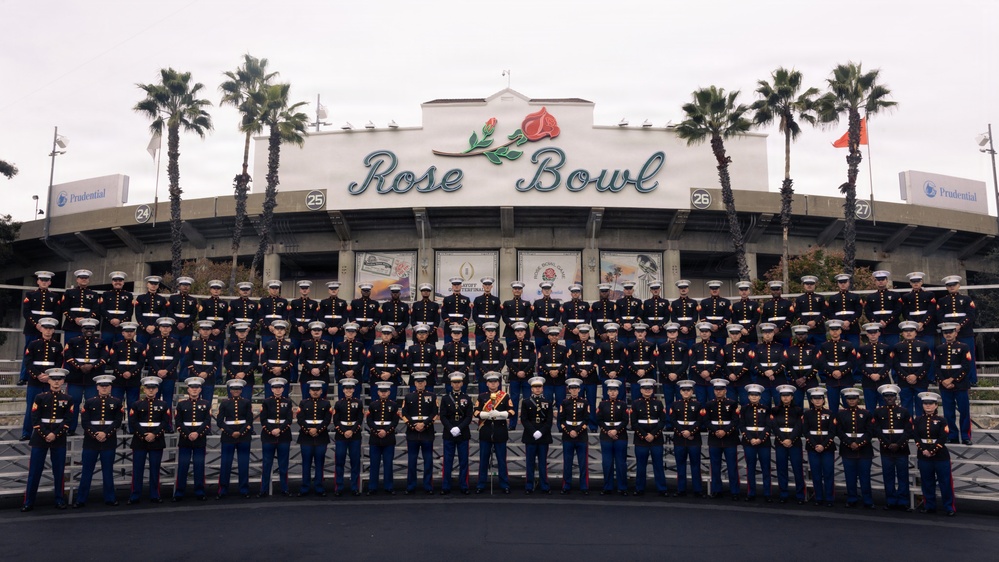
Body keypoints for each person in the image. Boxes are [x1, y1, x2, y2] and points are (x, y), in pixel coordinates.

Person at [21, 368, 72, 511]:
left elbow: (68, 419)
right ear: (48, 380)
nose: (56, 382)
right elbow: (35, 418)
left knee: (59, 470)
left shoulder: (68, 399)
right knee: (35, 471)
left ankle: (59, 499)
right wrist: (45, 434)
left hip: (58, 436)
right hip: (40, 437)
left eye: (59, 380)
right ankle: (29, 501)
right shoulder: (40, 397)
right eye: (53, 379)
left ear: (63, 381)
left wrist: (55, 434)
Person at [74, 374, 123, 508]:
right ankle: (81, 499)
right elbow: (85, 422)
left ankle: (110, 498)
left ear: (110, 387)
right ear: (97, 387)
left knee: (108, 471)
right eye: (102, 386)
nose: (104, 388)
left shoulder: (117, 402)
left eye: (107, 386)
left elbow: (118, 421)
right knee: (87, 471)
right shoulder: (89, 402)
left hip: (108, 440)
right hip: (91, 441)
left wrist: (105, 433)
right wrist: (95, 434)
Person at [20, 316, 63, 441]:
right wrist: (38, 375)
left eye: (50, 328)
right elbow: (28, 362)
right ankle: (26, 432)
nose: (48, 331)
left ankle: (45, 433)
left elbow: (58, 362)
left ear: (54, 330)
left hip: (49, 381)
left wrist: (49, 376)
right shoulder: (33, 344)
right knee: (31, 407)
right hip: (35, 380)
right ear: (41, 329)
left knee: (48, 408)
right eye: (45, 328)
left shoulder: (58, 346)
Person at [127, 376, 169, 505]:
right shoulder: (136, 404)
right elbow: (133, 422)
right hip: (140, 440)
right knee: (137, 469)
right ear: (144, 389)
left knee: (155, 469)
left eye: (153, 388)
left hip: (156, 440)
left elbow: (165, 422)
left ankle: (155, 494)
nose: (151, 390)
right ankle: (135, 495)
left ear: (157, 390)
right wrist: (144, 434)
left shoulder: (163, 404)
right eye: (148, 388)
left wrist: (154, 434)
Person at [913, 392, 955, 516]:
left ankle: (949, 507)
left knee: (945, 483)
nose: (928, 406)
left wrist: (932, 450)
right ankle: (929, 505)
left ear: (936, 405)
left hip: (940, 455)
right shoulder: (918, 420)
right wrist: (923, 450)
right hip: (923, 455)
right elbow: (916, 437)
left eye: (931, 404)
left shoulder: (942, 420)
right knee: (927, 482)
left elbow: (943, 437)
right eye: (925, 404)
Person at [872, 384, 913, 512]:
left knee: (903, 476)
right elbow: (877, 430)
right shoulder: (878, 412)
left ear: (896, 397)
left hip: (901, 449)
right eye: (887, 396)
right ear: (883, 397)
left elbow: (908, 430)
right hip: (886, 449)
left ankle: (903, 501)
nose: (889, 398)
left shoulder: (904, 411)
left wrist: (898, 444)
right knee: (888, 476)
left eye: (892, 396)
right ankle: (890, 501)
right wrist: (887, 444)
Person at [63, 317, 106, 435]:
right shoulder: (73, 341)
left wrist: (93, 366)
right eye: (86, 328)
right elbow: (68, 356)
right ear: (82, 329)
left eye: (91, 328)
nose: (89, 330)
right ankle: (71, 428)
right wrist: (79, 366)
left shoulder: (100, 343)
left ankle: (91, 429)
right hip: (76, 378)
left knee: (92, 404)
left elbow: (104, 357)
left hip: (93, 378)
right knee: (73, 403)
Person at [475, 372, 515, 494]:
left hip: (500, 430)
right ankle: (481, 484)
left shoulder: (505, 396)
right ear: (487, 383)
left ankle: (504, 484)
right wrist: (485, 414)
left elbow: (512, 412)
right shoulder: (482, 397)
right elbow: (476, 412)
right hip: (486, 430)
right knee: (483, 460)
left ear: (498, 383)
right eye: (491, 382)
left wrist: (500, 414)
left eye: (495, 382)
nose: (493, 384)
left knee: (501, 460)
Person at [173, 377, 211, 502]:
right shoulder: (182, 404)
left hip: (199, 438)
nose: (194, 390)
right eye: (192, 388)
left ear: (200, 389)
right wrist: (188, 433)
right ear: (188, 389)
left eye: (197, 388)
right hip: (185, 438)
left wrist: (197, 433)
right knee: (183, 466)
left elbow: (207, 421)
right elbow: (178, 421)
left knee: (199, 466)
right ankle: (179, 492)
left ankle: (200, 491)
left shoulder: (206, 404)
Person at [935, 322, 973, 444]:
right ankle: (952, 435)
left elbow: (966, 366)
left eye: (950, 332)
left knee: (964, 411)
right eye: (945, 333)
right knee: (948, 412)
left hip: (960, 384)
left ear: (956, 333)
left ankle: (965, 436)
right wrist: (943, 381)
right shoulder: (939, 348)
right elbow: (936, 367)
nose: (948, 335)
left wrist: (952, 380)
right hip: (945, 384)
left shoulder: (964, 347)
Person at [19, 270, 59, 386]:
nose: (44, 282)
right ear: (38, 281)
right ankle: (24, 377)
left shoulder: (54, 296)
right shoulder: (30, 295)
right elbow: (26, 312)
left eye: (46, 280)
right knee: (28, 352)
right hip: (32, 328)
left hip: (48, 329)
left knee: (48, 353)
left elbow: (56, 313)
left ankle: (48, 375)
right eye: (42, 280)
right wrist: (36, 324)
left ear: (50, 282)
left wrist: (48, 325)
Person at [836, 388, 875, 508]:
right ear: (846, 400)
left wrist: (859, 443)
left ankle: (868, 500)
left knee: (865, 477)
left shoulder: (866, 413)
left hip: (864, 450)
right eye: (849, 399)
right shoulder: (841, 414)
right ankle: (851, 498)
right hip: (847, 449)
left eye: (854, 399)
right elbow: (839, 431)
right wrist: (849, 443)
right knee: (850, 476)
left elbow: (870, 431)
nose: (851, 401)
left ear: (858, 399)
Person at [401, 372, 439, 494]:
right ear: (414, 383)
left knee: (428, 461)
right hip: (412, 433)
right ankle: (411, 486)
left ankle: (428, 486)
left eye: (422, 382)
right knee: (412, 461)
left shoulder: (432, 396)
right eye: (418, 382)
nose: (420, 384)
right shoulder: (408, 397)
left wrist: (424, 424)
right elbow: (404, 414)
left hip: (427, 432)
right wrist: (414, 425)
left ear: (426, 383)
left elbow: (434, 413)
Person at [216, 378, 254, 499]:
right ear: (230, 390)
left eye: (238, 389)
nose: (236, 391)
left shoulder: (247, 402)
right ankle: (223, 489)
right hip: (228, 436)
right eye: (233, 389)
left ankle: (244, 489)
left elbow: (249, 420)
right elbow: (220, 421)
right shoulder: (224, 403)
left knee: (244, 464)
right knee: (226, 464)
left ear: (241, 390)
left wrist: (241, 432)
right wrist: (231, 432)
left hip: (244, 436)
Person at [937, 275, 977, 387]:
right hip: (948, 332)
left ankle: (971, 379)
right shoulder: (942, 300)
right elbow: (939, 316)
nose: (951, 287)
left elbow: (971, 315)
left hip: (965, 332)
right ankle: (947, 378)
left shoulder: (966, 299)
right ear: (946, 287)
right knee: (948, 357)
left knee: (969, 356)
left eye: (954, 285)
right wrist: (950, 327)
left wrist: (960, 325)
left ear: (958, 285)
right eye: (949, 285)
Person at [630, 378, 668, 496]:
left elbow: (662, 421)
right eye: (645, 389)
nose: (647, 390)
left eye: (650, 388)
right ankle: (639, 488)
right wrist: (645, 435)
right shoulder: (636, 403)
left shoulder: (658, 403)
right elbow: (634, 423)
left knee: (658, 465)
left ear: (653, 390)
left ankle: (662, 488)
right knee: (641, 465)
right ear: (641, 390)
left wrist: (653, 434)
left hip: (656, 438)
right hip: (641, 439)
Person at [705, 378, 740, 499]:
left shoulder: (732, 403)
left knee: (732, 466)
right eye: (716, 390)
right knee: (715, 466)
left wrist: (725, 431)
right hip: (714, 438)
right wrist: (716, 431)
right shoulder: (709, 404)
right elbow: (706, 420)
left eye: (721, 390)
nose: (718, 392)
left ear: (725, 390)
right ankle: (716, 489)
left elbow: (735, 420)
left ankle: (734, 491)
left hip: (729, 438)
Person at [440, 372, 474, 495]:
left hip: (463, 433)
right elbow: (443, 416)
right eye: (454, 382)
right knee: (447, 461)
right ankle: (446, 486)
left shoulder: (467, 398)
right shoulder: (445, 398)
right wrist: (451, 428)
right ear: (451, 384)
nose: (456, 384)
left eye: (459, 382)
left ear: (462, 383)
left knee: (463, 461)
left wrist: (459, 428)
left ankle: (464, 485)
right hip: (449, 433)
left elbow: (469, 416)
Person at [259, 377, 294, 497]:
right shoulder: (266, 402)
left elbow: (289, 419)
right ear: (271, 389)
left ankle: (284, 488)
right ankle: (263, 489)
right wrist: (271, 430)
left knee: (283, 464)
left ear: (283, 389)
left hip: (283, 435)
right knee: (267, 464)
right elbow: (263, 419)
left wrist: (280, 429)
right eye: (275, 387)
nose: (277, 389)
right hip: (268, 436)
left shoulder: (288, 401)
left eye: (279, 387)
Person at [770, 384, 805, 504]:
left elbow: (799, 426)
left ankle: (800, 495)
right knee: (781, 469)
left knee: (797, 469)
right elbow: (774, 426)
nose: (785, 398)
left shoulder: (798, 410)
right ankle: (783, 493)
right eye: (783, 396)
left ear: (792, 397)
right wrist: (782, 439)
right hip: (781, 442)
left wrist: (791, 439)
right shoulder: (775, 410)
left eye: (788, 396)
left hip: (794, 443)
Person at [298, 379, 333, 497]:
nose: (315, 392)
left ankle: (319, 487)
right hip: (306, 436)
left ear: (321, 391)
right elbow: (300, 419)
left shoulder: (326, 404)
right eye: (313, 390)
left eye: (317, 390)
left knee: (319, 463)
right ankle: (305, 487)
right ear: (309, 391)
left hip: (321, 436)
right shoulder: (303, 403)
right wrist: (309, 429)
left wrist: (317, 429)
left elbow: (327, 419)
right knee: (306, 463)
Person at [108, 322, 145, 432]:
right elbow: (113, 361)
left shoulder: (140, 346)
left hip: (133, 379)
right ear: (123, 333)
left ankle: (132, 428)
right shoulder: (116, 345)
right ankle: (113, 427)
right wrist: (122, 372)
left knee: (133, 405)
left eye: (131, 332)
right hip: (118, 379)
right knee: (115, 404)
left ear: (134, 333)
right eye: (127, 332)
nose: (129, 333)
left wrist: (131, 373)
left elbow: (140, 362)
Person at [146, 316, 181, 431]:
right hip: (155, 375)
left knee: (167, 401)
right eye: (163, 327)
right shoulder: (153, 341)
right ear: (159, 328)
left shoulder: (175, 342)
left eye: (167, 327)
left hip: (169, 375)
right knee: (153, 401)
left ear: (171, 329)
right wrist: (157, 371)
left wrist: (167, 371)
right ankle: (154, 424)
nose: (165, 329)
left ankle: (168, 425)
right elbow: (150, 357)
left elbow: (176, 359)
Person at [669, 380, 703, 497]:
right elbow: (673, 420)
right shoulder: (675, 405)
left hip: (694, 438)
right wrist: (682, 432)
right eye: (684, 390)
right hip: (679, 438)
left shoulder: (698, 405)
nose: (686, 392)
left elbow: (699, 421)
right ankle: (681, 489)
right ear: (680, 392)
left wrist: (690, 432)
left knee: (695, 465)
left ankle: (697, 490)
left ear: (692, 391)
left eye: (688, 390)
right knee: (680, 465)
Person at [803, 387, 835, 507]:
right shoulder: (807, 414)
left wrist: (823, 445)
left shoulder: (830, 413)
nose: (817, 401)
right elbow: (805, 431)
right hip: (813, 447)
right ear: (811, 400)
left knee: (828, 473)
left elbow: (832, 431)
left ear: (823, 400)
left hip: (827, 447)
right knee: (816, 474)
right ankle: (818, 497)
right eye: (815, 399)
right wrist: (815, 445)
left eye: (820, 399)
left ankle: (829, 498)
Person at [520, 376, 553, 494]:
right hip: (530, 435)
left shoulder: (548, 402)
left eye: (539, 387)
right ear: (531, 389)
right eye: (535, 387)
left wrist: (541, 432)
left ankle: (544, 485)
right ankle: (529, 485)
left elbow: (549, 420)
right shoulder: (526, 402)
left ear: (542, 388)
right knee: (530, 462)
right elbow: (524, 419)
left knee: (543, 463)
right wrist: (533, 432)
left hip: (543, 435)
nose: (537, 389)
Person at [817, 319, 858, 415]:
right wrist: (831, 372)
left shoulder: (848, 344)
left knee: (849, 407)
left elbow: (852, 361)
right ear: (829, 331)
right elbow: (822, 362)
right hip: (831, 379)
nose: (834, 332)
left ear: (840, 330)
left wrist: (841, 372)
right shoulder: (824, 345)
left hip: (846, 378)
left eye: (837, 329)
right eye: (832, 330)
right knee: (833, 407)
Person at [893, 321, 933, 417]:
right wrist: (906, 376)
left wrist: (916, 376)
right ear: (902, 333)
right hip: (904, 380)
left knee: (921, 405)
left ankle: (920, 428)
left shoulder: (924, 346)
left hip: (920, 379)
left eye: (911, 331)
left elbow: (927, 362)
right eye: (906, 331)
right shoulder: (897, 346)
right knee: (905, 406)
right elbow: (895, 363)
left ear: (916, 332)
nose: (908, 333)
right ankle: (908, 428)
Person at [366, 381, 399, 495]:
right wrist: (377, 431)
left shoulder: (394, 405)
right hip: (375, 438)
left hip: (388, 437)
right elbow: (369, 420)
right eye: (381, 391)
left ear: (389, 392)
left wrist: (386, 431)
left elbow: (395, 421)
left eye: (385, 391)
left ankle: (389, 487)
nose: (383, 393)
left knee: (388, 464)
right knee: (374, 464)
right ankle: (372, 487)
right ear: (378, 392)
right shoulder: (373, 405)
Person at [597, 378, 629, 496]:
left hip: (620, 436)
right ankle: (607, 487)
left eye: (615, 390)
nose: (613, 393)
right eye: (610, 390)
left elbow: (625, 420)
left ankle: (622, 487)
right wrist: (609, 431)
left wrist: (616, 431)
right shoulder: (602, 404)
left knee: (621, 463)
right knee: (607, 463)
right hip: (606, 436)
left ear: (618, 392)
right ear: (607, 392)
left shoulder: (623, 404)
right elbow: (599, 420)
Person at [740, 384, 772, 502]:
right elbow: (742, 425)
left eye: (756, 395)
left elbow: (769, 425)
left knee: (765, 468)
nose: (754, 397)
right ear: (748, 396)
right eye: (752, 395)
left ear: (760, 396)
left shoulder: (766, 408)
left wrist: (760, 439)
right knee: (750, 468)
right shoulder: (744, 409)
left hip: (763, 442)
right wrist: (751, 439)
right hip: (749, 442)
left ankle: (767, 493)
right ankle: (751, 492)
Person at [558, 378, 589, 495]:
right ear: (569, 390)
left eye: (576, 388)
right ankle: (566, 485)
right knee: (567, 462)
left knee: (583, 462)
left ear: (579, 389)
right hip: (568, 435)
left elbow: (586, 419)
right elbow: (561, 419)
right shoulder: (565, 402)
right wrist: (569, 431)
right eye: (572, 388)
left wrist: (577, 431)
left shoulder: (585, 402)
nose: (574, 390)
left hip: (581, 435)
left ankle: (584, 486)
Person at [332, 378, 363, 496]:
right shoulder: (338, 403)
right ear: (343, 390)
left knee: (355, 462)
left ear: (354, 390)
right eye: (346, 389)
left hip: (355, 436)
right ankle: (339, 487)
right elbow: (336, 420)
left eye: (350, 388)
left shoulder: (358, 402)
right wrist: (344, 431)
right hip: (341, 436)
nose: (348, 390)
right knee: (339, 461)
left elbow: (360, 419)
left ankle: (354, 487)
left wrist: (352, 431)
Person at [568, 323, 600, 428]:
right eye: (582, 333)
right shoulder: (573, 346)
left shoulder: (594, 346)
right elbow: (572, 361)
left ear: (588, 334)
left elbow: (596, 360)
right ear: (579, 334)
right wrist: (579, 372)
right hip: (578, 378)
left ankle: (593, 425)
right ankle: (579, 424)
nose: (584, 335)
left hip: (591, 377)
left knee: (591, 402)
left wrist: (588, 371)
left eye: (586, 333)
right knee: (578, 403)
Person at [505, 321, 536, 429]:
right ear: (515, 333)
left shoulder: (530, 345)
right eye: (517, 331)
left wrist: (525, 372)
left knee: (528, 400)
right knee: (514, 400)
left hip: (527, 376)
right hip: (514, 376)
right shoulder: (511, 344)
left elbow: (532, 361)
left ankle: (528, 424)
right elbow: (508, 361)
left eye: (521, 331)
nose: (519, 333)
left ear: (524, 332)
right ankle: (512, 424)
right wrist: (517, 372)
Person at [186, 320, 221, 409]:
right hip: (195, 376)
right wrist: (198, 373)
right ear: (199, 331)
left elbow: (217, 361)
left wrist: (207, 373)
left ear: (211, 331)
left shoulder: (215, 344)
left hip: (209, 377)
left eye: (208, 329)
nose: (205, 331)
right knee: (193, 402)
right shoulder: (192, 343)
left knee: (207, 402)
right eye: (203, 329)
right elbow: (188, 359)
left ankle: (207, 422)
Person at [166, 277, 198, 371]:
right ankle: (171, 371)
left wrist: (185, 324)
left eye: (187, 285)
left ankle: (183, 375)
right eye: (183, 285)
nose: (185, 287)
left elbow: (194, 314)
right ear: (179, 286)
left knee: (185, 353)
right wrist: (177, 323)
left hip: (187, 329)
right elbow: (170, 311)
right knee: (172, 351)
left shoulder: (193, 300)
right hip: (175, 329)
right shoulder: (173, 298)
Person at [858, 323, 892, 410]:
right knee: (870, 408)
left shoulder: (886, 347)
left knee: (884, 408)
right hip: (868, 380)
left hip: (883, 380)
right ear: (867, 334)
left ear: (879, 333)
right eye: (870, 333)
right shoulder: (862, 349)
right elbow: (861, 364)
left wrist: (879, 375)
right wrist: (870, 374)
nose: (873, 335)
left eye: (875, 332)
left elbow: (888, 364)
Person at [784, 325, 819, 407]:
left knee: (814, 405)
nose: (800, 336)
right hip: (795, 381)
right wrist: (796, 379)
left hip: (811, 380)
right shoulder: (790, 349)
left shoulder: (813, 348)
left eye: (803, 334)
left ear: (807, 335)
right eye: (798, 334)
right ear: (795, 335)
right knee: (796, 406)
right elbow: (788, 366)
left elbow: (816, 365)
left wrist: (805, 378)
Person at [865, 270, 901, 348]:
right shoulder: (870, 297)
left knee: (893, 350)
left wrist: (887, 321)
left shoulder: (895, 295)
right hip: (877, 329)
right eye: (878, 280)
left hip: (892, 328)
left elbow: (898, 310)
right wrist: (878, 322)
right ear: (875, 281)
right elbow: (868, 312)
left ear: (887, 281)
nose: (880, 282)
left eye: (883, 280)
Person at [61, 269, 99, 343]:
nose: (84, 280)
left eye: (86, 278)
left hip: (87, 325)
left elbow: (96, 309)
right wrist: (74, 318)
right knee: (69, 346)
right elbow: (64, 307)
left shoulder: (93, 294)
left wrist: (85, 319)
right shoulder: (69, 292)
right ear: (77, 280)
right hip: (71, 324)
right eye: (81, 278)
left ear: (88, 280)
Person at [826, 273, 864, 348]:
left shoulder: (855, 297)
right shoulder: (833, 298)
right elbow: (830, 313)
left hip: (852, 328)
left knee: (854, 349)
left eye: (845, 282)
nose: (843, 284)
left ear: (849, 283)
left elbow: (858, 311)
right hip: (838, 329)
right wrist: (840, 323)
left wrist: (849, 322)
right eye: (840, 282)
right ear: (838, 284)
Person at [289, 281, 320, 371]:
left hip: (308, 332)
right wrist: (298, 326)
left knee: (308, 355)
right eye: (303, 289)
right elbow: (291, 316)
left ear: (309, 290)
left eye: (306, 289)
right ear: (300, 290)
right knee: (294, 355)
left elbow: (314, 317)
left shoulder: (314, 303)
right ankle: (293, 377)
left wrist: (305, 327)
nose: (304, 290)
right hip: (295, 331)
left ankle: (306, 373)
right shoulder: (294, 302)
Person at [900, 272, 936, 349]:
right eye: (913, 282)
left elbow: (931, 310)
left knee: (929, 349)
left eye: (918, 281)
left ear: (921, 282)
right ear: (910, 283)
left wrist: (923, 323)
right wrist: (914, 325)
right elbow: (905, 312)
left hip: (927, 326)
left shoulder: (929, 295)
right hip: (913, 327)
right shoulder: (906, 296)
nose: (916, 284)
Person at [688, 323, 721, 404]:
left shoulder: (717, 346)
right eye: (702, 332)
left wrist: (709, 373)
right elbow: (692, 362)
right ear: (700, 333)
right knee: (700, 403)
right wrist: (701, 373)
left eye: (706, 331)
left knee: (713, 404)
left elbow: (719, 361)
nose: (704, 333)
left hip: (712, 378)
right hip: (699, 379)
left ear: (710, 333)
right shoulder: (695, 346)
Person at [261, 320, 295, 398]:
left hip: (284, 373)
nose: (279, 331)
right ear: (274, 331)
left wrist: (281, 368)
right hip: (269, 374)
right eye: (277, 329)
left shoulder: (290, 345)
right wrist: (272, 369)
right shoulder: (267, 344)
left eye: (282, 329)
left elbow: (292, 360)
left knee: (284, 398)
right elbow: (263, 359)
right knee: (269, 398)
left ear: (285, 331)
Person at [720, 323, 753, 405]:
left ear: (740, 334)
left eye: (737, 333)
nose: (734, 336)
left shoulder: (746, 346)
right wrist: (729, 374)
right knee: (731, 403)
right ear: (729, 335)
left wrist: (737, 374)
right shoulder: (725, 347)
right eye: (732, 334)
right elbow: (723, 363)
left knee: (745, 402)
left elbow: (747, 362)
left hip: (743, 378)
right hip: (730, 379)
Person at [367, 325, 403, 400]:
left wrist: (390, 373)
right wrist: (380, 374)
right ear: (381, 335)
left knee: (391, 403)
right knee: (375, 402)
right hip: (376, 378)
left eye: (388, 334)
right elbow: (370, 363)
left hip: (392, 378)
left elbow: (399, 363)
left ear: (391, 335)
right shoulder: (374, 348)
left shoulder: (397, 348)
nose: (386, 336)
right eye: (384, 334)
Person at [752, 323, 784, 407]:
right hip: (762, 380)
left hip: (778, 379)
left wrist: (773, 371)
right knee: (764, 406)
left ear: (773, 333)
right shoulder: (757, 347)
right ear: (762, 334)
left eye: (769, 332)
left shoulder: (780, 346)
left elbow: (783, 361)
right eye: (765, 333)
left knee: (779, 405)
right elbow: (755, 362)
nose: (767, 335)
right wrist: (765, 372)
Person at [299, 321, 333, 397]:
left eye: (319, 330)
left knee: (322, 401)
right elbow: (302, 359)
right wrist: (311, 369)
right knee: (306, 400)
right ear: (311, 332)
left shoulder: (327, 344)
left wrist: (319, 369)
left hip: (322, 374)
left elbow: (329, 359)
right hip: (307, 374)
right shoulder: (305, 343)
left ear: (322, 332)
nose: (316, 332)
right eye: (314, 330)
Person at [658, 323, 689, 406]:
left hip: (680, 377)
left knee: (681, 401)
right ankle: (668, 419)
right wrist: (668, 374)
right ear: (667, 333)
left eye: (674, 332)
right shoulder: (662, 346)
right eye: (670, 332)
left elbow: (685, 362)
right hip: (666, 378)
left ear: (677, 333)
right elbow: (660, 363)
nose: (672, 334)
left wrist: (677, 374)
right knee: (668, 401)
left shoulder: (683, 346)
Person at [624, 323, 657, 402]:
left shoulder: (651, 345)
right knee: (635, 400)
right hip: (635, 374)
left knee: (649, 399)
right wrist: (637, 370)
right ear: (635, 333)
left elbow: (653, 361)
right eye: (638, 332)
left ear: (645, 333)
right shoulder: (630, 346)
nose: (640, 334)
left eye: (642, 332)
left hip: (647, 374)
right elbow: (629, 361)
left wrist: (645, 370)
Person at [100, 271, 134, 346]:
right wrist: (111, 319)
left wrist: (120, 320)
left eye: (120, 281)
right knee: (105, 347)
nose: (118, 282)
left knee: (121, 347)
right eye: (115, 281)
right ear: (112, 282)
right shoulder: (106, 294)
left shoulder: (129, 295)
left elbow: (130, 311)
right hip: (108, 326)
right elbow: (102, 309)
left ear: (123, 282)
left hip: (122, 326)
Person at [224, 322, 259, 392]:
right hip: (232, 377)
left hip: (247, 377)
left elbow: (255, 362)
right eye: (240, 332)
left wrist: (244, 373)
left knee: (246, 400)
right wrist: (235, 374)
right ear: (236, 333)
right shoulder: (230, 346)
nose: (242, 333)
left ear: (247, 333)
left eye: (244, 331)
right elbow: (226, 362)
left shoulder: (253, 346)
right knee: (232, 401)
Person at [539, 325, 568, 405]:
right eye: (552, 335)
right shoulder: (543, 349)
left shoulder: (563, 349)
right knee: (547, 403)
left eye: (556, 335)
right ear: (548, 336)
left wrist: (558, 371)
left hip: (560, 379)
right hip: (547, 378)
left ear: (559, 336)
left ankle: (560, 418)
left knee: (561, 403)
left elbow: (565, 362)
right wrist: (550, 371)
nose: (554, 337)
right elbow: (541, 363)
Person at [334, 323, 366, 398]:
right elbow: (337, 361)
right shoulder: (340, 345)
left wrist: (353, 371)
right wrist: (345, 372)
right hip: (343, 375)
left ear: (355, 333)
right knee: (342, 399)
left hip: (356, 375)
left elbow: (362, 361)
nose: (350, 334)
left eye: (352, 332)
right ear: (345, 333)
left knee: (356, 398)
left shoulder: (360, 345)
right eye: (348, 332)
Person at [134, 275, 166, 347]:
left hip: (156, 329)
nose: (153, 285)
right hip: (143, 328)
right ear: (147, 284)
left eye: (155, 284)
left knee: (155, 350)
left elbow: (163, 314)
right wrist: (146, 326)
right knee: (141, 350)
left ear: (158, 286)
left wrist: (155, 326)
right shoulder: (141, 298)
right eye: (151, 283)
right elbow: (138, 314)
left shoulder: (162, 299)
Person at [793, 276, 825, 346]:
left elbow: (824, 312)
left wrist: (815, 322)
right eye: (807, 284)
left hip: (819, 329)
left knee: (820, 351)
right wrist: (806, 323)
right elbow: (797, 313)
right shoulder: (799, 299)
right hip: (805, 331)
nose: (809, 285)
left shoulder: (821, 298)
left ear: (815, 285)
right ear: (804, 285)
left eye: (811, 284)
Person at [473, 322, 504, 393]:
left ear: (495, 333)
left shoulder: (499, 345)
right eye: (488, 331)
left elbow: (502, 360)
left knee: (498, 397)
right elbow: (478, 360)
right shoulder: (480, 345)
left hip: (496, 372)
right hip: (484, 373)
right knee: (483, 396)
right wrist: (486, 371)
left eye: (492, 331)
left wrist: (496, 371)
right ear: (485, 333)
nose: (490, 333)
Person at [258, 279, 290, 349]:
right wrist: (268, 326)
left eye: (276, 288)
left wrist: (278, 326)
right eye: (272, 288)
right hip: (266, 329)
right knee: (266, 348)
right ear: (269, 289)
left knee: (279, 349)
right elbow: (261, 315)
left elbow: (285, 315)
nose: (274, 290)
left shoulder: (283, 301)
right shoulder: (263, 301)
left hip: (279, 329)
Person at [760, 280, 793, 347]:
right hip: (770, 334)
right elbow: (764, 319)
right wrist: (770, 330)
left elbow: (790, 317)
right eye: (773, 290)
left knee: (786, 353)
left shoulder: (787, 303)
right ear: (771, 291)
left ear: (780, 291)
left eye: (777, 290)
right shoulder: (766, 305)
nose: (775, 292)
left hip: (784, 332)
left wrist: (779, 328)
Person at [407, 323, 439, 390]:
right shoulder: (411, 348)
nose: (421, 335)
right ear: (416, 335)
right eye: (419, 334)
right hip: (414, 375)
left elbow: (434, 362)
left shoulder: (432, 348)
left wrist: (427, 372)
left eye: (424, 334)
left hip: (429, 376)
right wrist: (415, 373)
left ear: (427, 335)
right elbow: (409, 362)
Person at [698, 280, 730, 346]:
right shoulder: (704, 302)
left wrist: (718, 326)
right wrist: (710, 326)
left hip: (721, 331)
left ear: (719, 289)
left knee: (721, 351)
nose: (714, 290)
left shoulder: (726, 302)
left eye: (716, 288)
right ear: (710, 290)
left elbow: (727, 316)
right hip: (708, 331)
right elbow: (702, 316)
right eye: (712, 289)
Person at [729, 281, 760, 349]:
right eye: (741, 290)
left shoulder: (754, 304)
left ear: (749, 291)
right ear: (739, 292)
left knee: (752, 352)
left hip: (751, 333)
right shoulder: (735, 305)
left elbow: (756, 318)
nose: (744, 292)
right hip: (739, 333)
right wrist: (741, 329)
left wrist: (747, 329)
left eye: (746, 290)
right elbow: (734, 319)